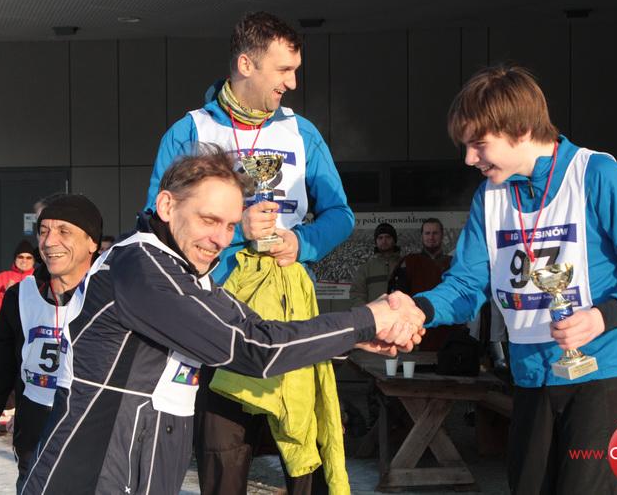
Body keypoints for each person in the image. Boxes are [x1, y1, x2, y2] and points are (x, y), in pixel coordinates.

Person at [21, 148, 424, 495]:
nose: (220, 239)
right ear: (166, 206)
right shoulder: (141, 269)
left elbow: (258, 327)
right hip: (89, 476)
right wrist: (368, 319)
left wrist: (356, 337)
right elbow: (255, 348)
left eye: (230, 226)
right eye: (208, 220)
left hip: (138, 473)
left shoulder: (183, 272)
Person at [413, 64, 617, 494]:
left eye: (479, 145)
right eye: (465, 146)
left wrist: (603, 316)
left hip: (603, 376)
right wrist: (418, 310)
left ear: (521, 130)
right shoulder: (491, 195)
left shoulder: (596, 175)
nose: (469, 159)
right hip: (530, 379)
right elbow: (467, 284)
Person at [144, 11, 354, 494]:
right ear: (246, 64)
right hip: (218, 316)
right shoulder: (190, 132)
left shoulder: (302, 132)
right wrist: (236, 230)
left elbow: (341, 215)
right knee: (224, 464)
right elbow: (156, 222)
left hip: (290, 313)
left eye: (295, 70)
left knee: (305, 454)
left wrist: (302, 242)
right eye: (283, 70)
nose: (292, 83)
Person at [0, 194, 102, 489]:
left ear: (92, 242)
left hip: (100, 464)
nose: (49, 241)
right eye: (43, 231)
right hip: (35, 457)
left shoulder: (116, 296)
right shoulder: (21, 297)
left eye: (64, 231)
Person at [390, 218, 464, 350]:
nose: (431, 237)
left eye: (435, 233)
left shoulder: (453, 264)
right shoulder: (410, 262)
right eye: (427, 233)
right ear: (422, 236)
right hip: (418, 329)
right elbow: (400, 298)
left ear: (442, 235)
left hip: (448, 330)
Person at [350, 223, 401, 307]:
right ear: (376, 241)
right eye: (380, 238)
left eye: (388, 237)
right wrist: (366, 311)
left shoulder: (404, 264)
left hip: (401, 313)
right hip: (374, 314)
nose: (384, 241)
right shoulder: (366, 268)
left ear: (394, 240)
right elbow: (357, 293)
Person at [0, 240, 36, 323]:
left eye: (28, 257)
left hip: (31, 326)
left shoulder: (39, 278)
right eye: (20, 257)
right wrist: (6, 294)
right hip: (6, 327)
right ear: (15, 259)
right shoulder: (1, 277)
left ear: (33, 261)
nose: (24, 260)